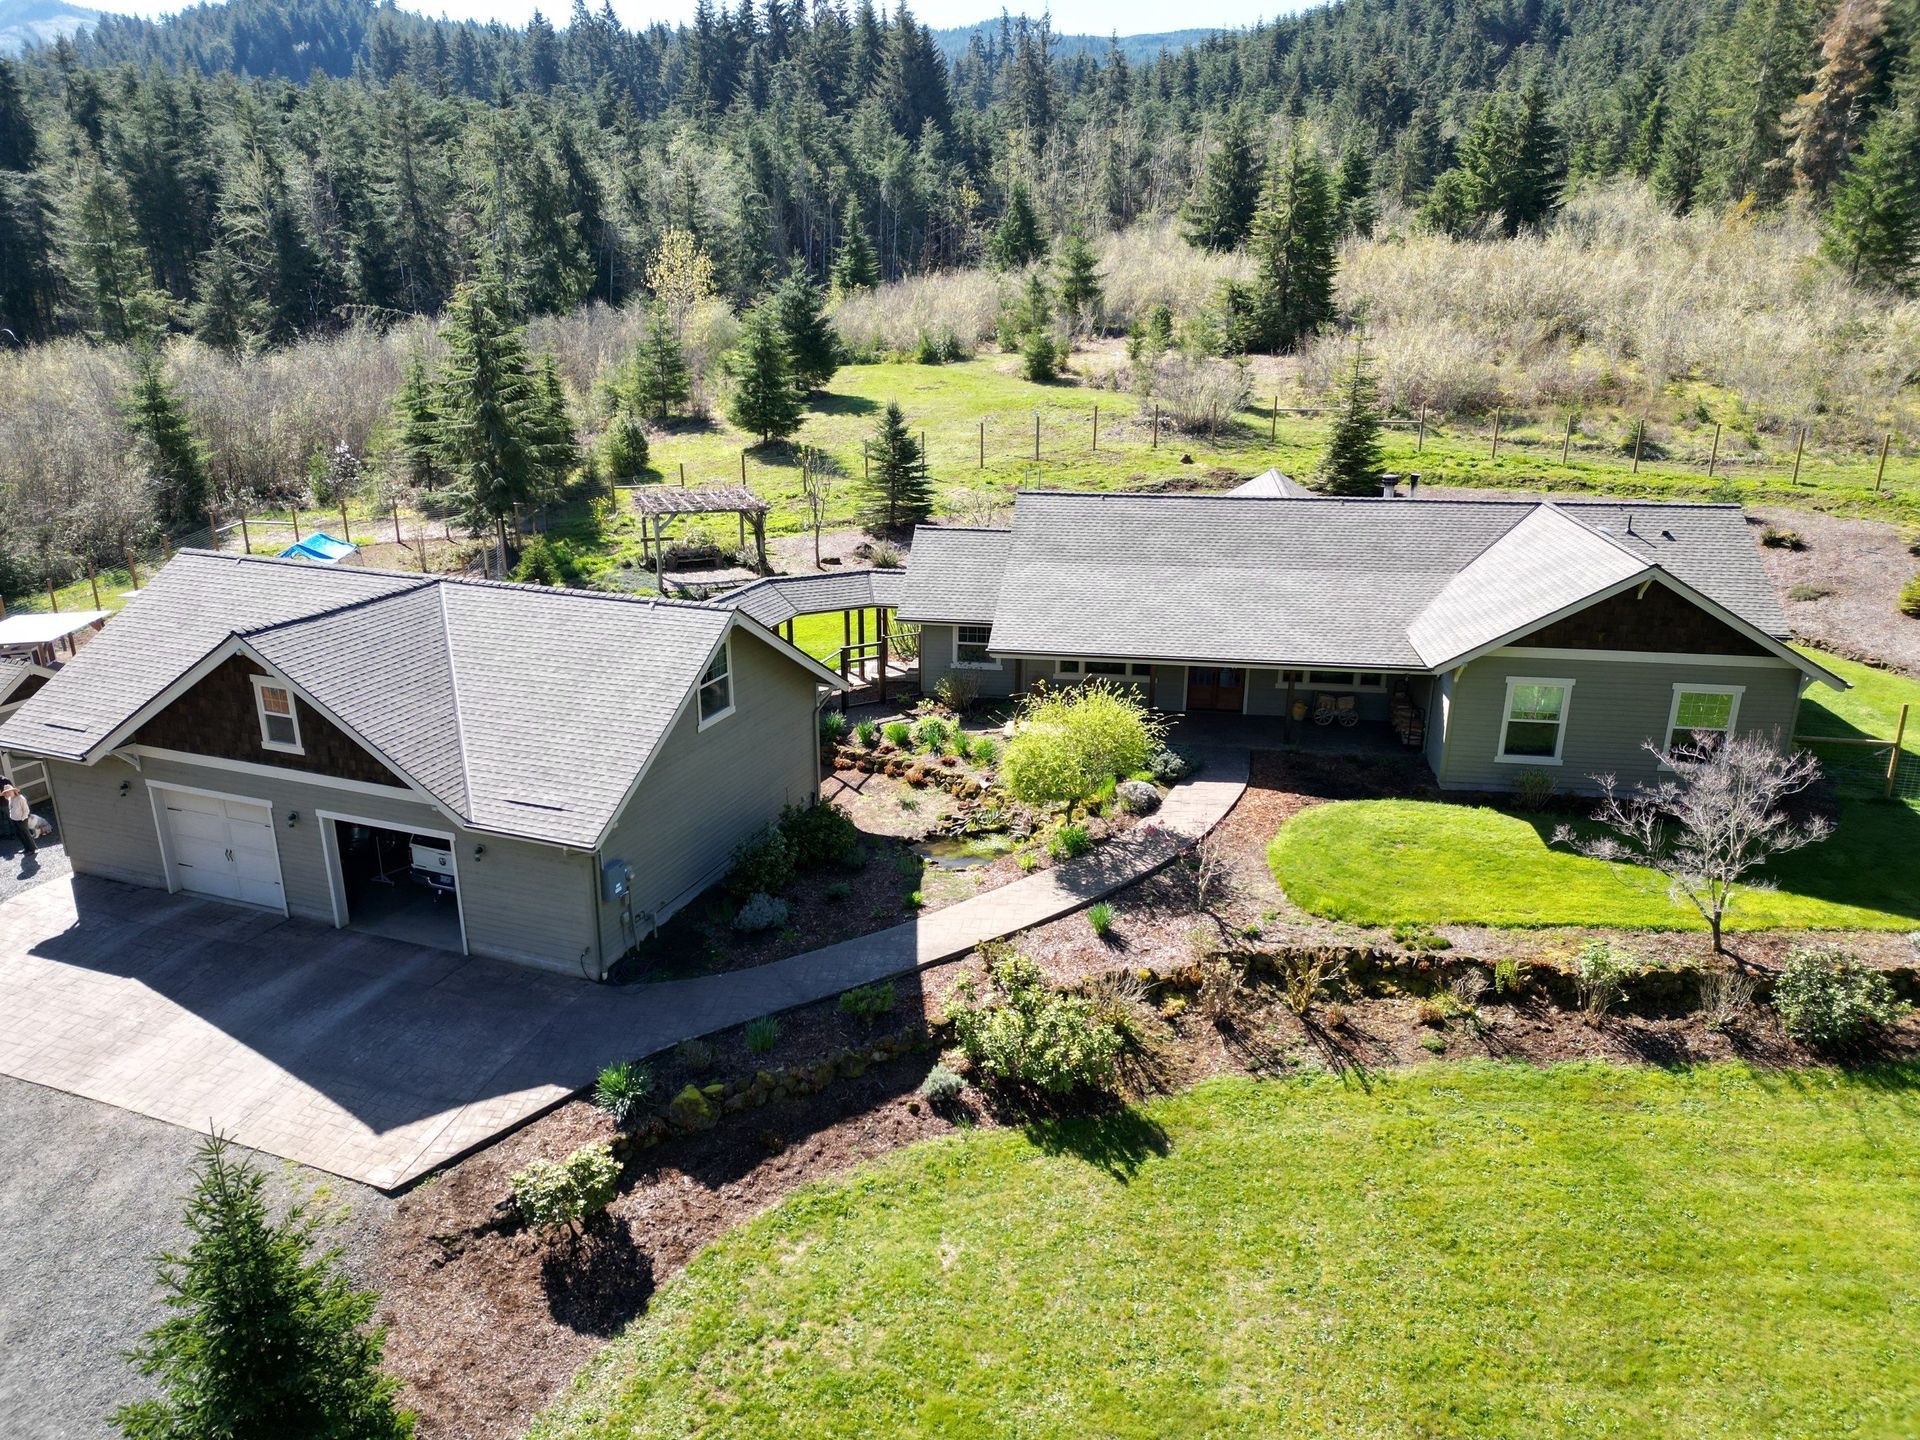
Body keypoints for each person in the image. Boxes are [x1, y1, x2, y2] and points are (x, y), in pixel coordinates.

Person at [2, 777, 35, 858]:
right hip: (14, 819)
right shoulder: (10, 799)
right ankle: (26, 848)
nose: (7, 793)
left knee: (26, 834)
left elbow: (26, 810)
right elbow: (11, 808)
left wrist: (23, 818)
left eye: (8, 791)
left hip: (21, 819)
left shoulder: (20, 798)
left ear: (13, 790)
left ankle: (32, 849)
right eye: (6, 792)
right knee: (19, 834)